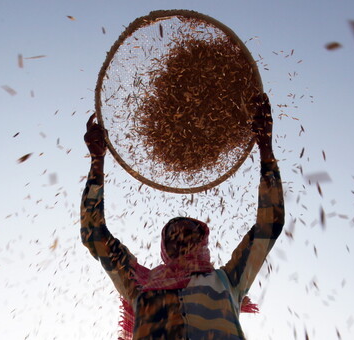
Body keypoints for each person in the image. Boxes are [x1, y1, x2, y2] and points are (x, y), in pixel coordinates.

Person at [81, 93, 285, 340]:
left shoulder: (228, 280)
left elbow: (269, 224)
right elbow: (93, 234)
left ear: (202, 241)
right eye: (173, 238)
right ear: (164, 249)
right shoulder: (137, 284)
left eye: (189, 234)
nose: (181, 240)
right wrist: (96, 162)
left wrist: (266, 148)